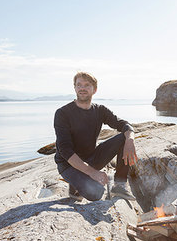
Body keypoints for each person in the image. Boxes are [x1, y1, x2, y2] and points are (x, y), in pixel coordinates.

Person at [54, 72, 138, 201]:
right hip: (68, 164)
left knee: (123, 137)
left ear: (94, 90)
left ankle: (120, 185)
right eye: (79, 85)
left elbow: (124, 124)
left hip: (91, 158)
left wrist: (130, 140)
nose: (82, 88)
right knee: (96, 193)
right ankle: (75, 185)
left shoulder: (100, 110)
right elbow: (65, 150)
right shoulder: (62, 113)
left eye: (87, 85)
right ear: (75, 88)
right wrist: (93, 173)